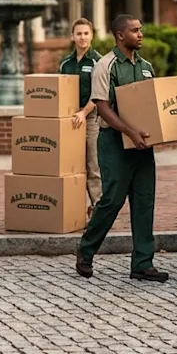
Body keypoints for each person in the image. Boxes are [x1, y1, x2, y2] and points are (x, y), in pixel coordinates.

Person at [74, 14, 168, 283]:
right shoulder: (106, 65)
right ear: (120, 35)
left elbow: (153, 106)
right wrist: (129, 132)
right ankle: (86, 250)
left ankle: (142, 263)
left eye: (141, 29)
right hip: (114, 142)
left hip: (142, 144)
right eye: (135, 30)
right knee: (112, 200)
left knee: (144, 201)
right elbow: (102, 105)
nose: (140, 34)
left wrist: (174, 130)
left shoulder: (147, 67)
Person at [58, 18, 103, 212]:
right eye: (79, 34)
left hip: (91, 119)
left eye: (86, 33)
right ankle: (74, 210)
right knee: (71, 168)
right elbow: (59, 92)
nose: (82, 37)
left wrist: (84, 113)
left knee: (93, 167)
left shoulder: (97, 62)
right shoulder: (65, 64)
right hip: (69, 121)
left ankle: (97, 209)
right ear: (72, 36)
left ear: (91, 35)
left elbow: (100, 93)